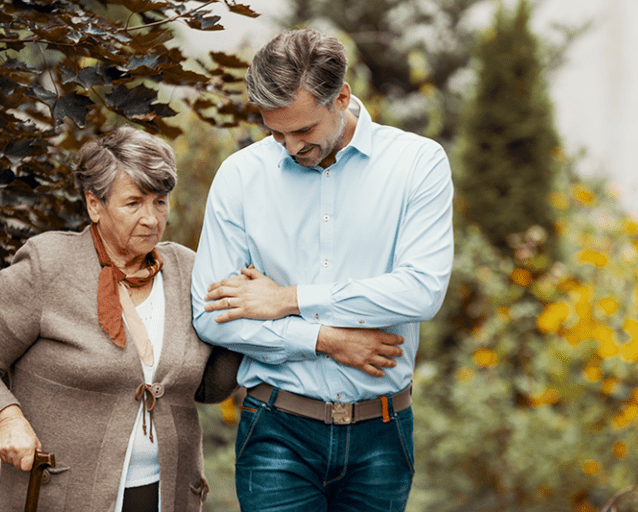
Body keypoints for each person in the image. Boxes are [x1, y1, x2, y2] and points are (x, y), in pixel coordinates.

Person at [191, 28, 454, 512]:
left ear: (342, 98)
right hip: (277, 429)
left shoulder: (418, 164)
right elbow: (211, 314)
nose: (290, 147)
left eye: (304, 131)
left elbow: (421, 290)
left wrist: (289, 299)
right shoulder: (241, 176)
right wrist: (325, 339)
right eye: (276, 132)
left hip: (382, 437)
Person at [0, 126, 242, 512]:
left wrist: (241, 327)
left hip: (166, 496)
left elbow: (205, 387)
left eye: (160, 201)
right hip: (63, 497)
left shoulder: (187, 270)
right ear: (94, 204)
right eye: (133, 203)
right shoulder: (48, 265)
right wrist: (8, 418)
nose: (151, 219)